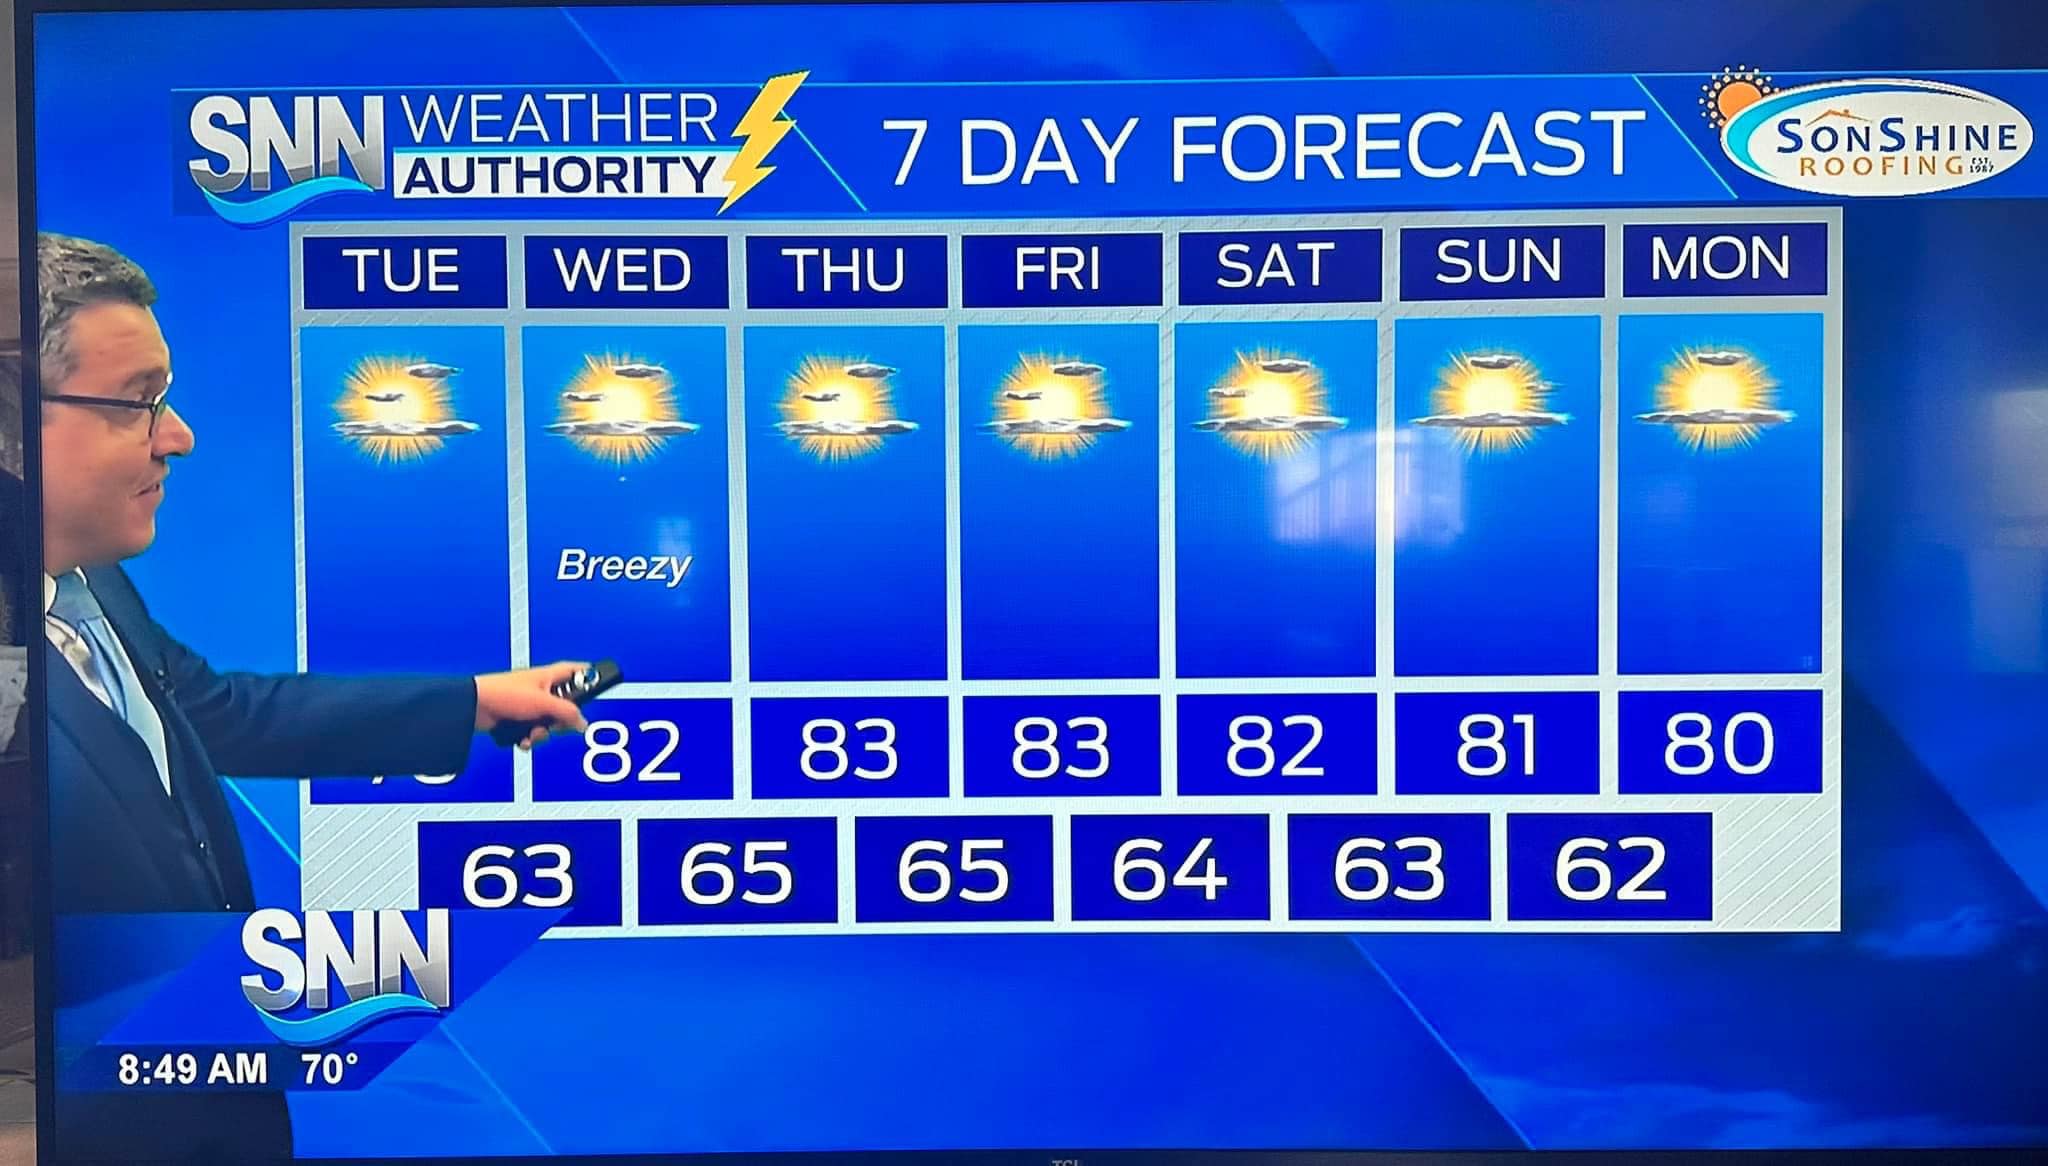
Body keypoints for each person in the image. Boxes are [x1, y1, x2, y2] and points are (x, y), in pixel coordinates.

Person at [36, 231, 589, 1159]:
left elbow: (215, 713)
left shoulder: (92, 583)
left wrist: (473, 703)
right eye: (138, 402)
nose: (178, 436)